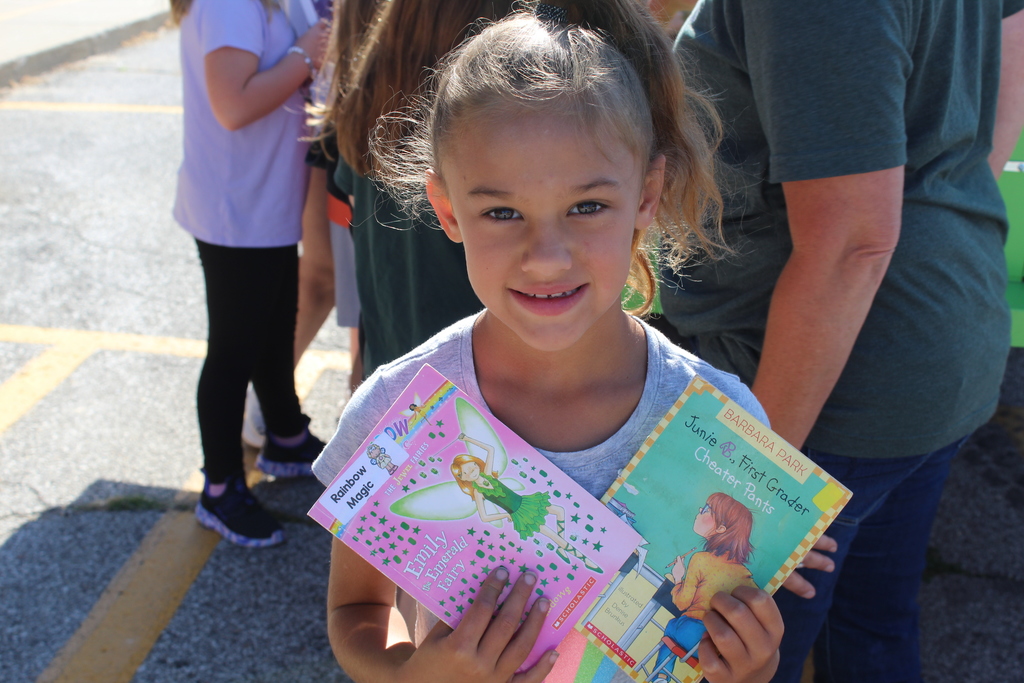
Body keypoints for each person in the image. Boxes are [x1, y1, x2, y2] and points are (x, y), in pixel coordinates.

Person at [313, 3, 784, 681]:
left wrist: (751, 665)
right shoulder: (398, 408)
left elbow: (723, 645)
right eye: (501, 212)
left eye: (586, 206)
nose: (546, 255)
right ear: (448, 210)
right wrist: (409, 673)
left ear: (647, 194)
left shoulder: (723, 425)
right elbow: (356, 606)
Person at [659, 2, 1024, 681]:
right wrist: (940, 217)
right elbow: (1012, 38)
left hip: (829, 387)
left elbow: (852, 242)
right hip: (932, 342)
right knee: (873, 624)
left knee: (729, 660)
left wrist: (754, 483)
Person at [170, 0, 329, 547]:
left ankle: (284, 435)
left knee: (273, 325)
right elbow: (232, 105)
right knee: (234, 349)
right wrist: (305, 57)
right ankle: (220, 488)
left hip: (264, 204)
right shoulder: (229, 4)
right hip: (235, 210)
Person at [654, 492, 758, 679]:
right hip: (717, 647)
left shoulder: (701, 559)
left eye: (706, 510)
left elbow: (682, 603)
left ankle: (661, 676)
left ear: (721, 528)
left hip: (690, 632)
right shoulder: (745, 575)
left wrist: (678, 578)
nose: (699, 511)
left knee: (672, 625)